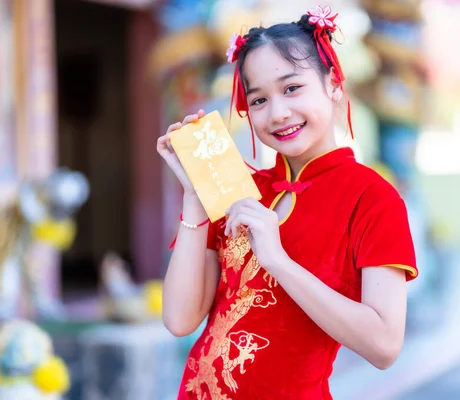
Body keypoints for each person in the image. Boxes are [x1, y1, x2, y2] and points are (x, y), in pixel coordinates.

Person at [156, 6, 419, 400]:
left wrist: (277, 260)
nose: (278, 113)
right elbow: (180, 320)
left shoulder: (373, 199)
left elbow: (384, 346)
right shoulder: (239, 189)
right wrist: (196, 199)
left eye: (292, 88)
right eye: (259, 100)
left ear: (332, 84)